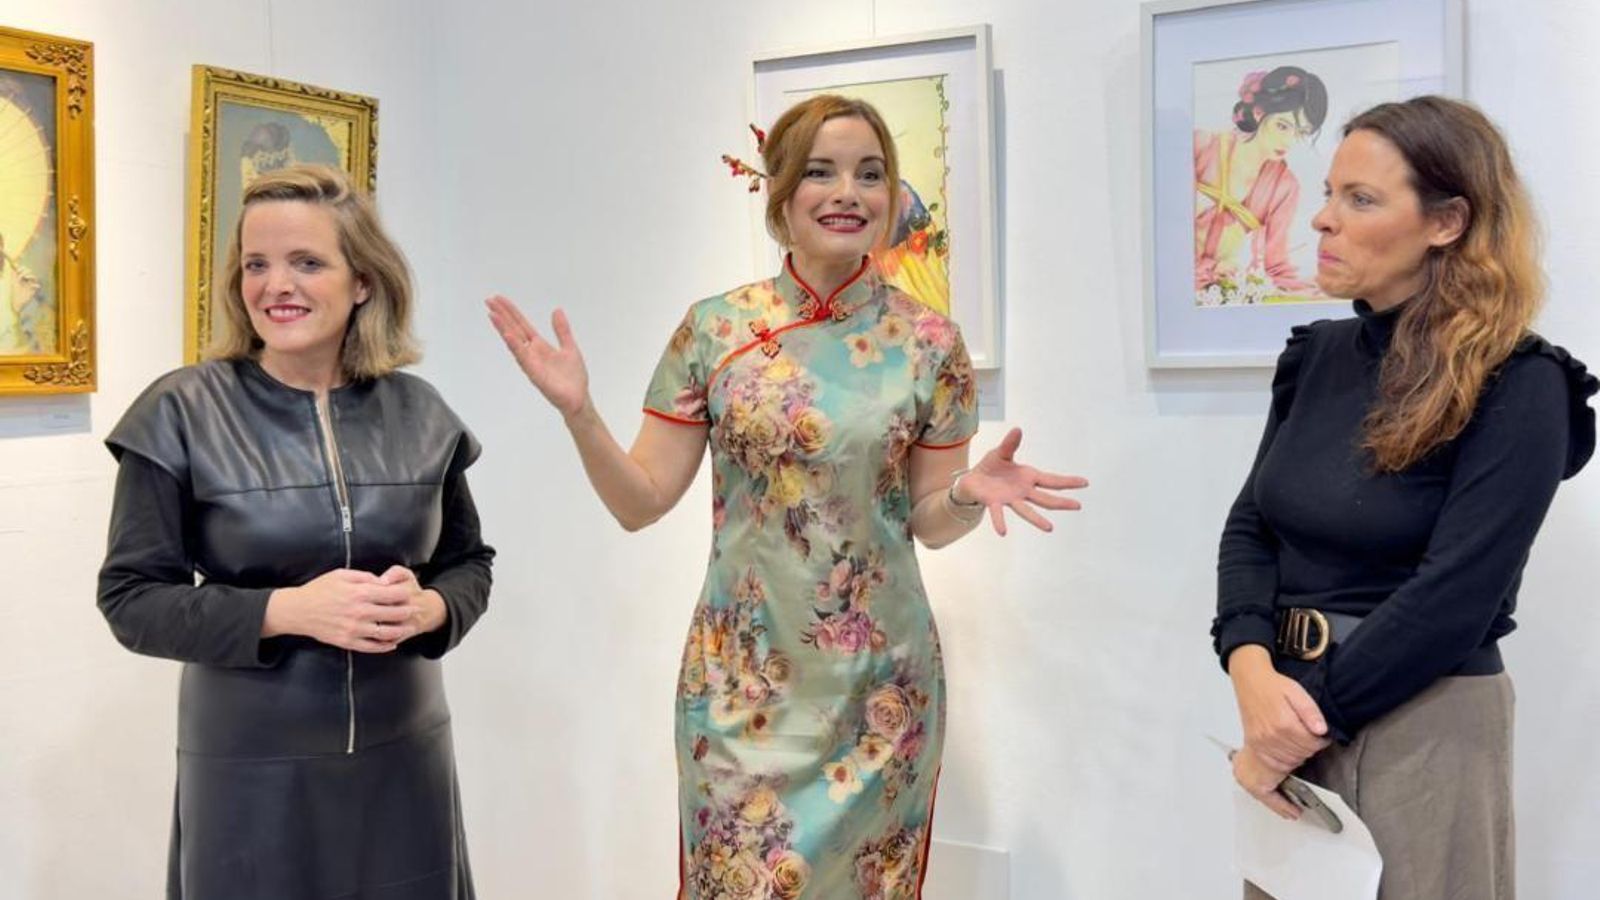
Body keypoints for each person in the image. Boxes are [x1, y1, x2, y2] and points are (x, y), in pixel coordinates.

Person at [487, 94, 1085, 898]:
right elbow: (640, 500)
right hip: (742, 689)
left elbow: (929, 523)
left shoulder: (930, 344)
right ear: (780, 195)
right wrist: (579, 412)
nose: (848, 193)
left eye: (870, 174)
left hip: (879, 691)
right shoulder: (715, 331)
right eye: (821, 173)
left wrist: (970, 493)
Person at [1213, 96, 1596, 898]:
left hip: (1425, 726)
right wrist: (1249, 664)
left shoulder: (1522, 384)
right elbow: (1253, 525)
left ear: (1447, 222)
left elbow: (1455, 598)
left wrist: (1289, 733)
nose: (1322, 220)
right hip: (1285, 710)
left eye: (1361, 200)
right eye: (1328, 193)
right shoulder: (1316, 357)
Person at [98, 165, 492, 899]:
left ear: (363, 281)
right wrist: (286, 611)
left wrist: (433, 609)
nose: (276, 285)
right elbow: (130, 598)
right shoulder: (180, 413)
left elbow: (469, 564)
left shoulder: (421, 414)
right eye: (256, 264)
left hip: (405, 762)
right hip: (251, 775)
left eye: (307, 262)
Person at [1194, 65, 1327, 305]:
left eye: (1301, 132)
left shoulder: (1285, 186)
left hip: (1218, 291)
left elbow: (1276, 267)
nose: (1289, 140)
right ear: (1258, 112)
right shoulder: (1201, 146)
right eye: (1282, 126)